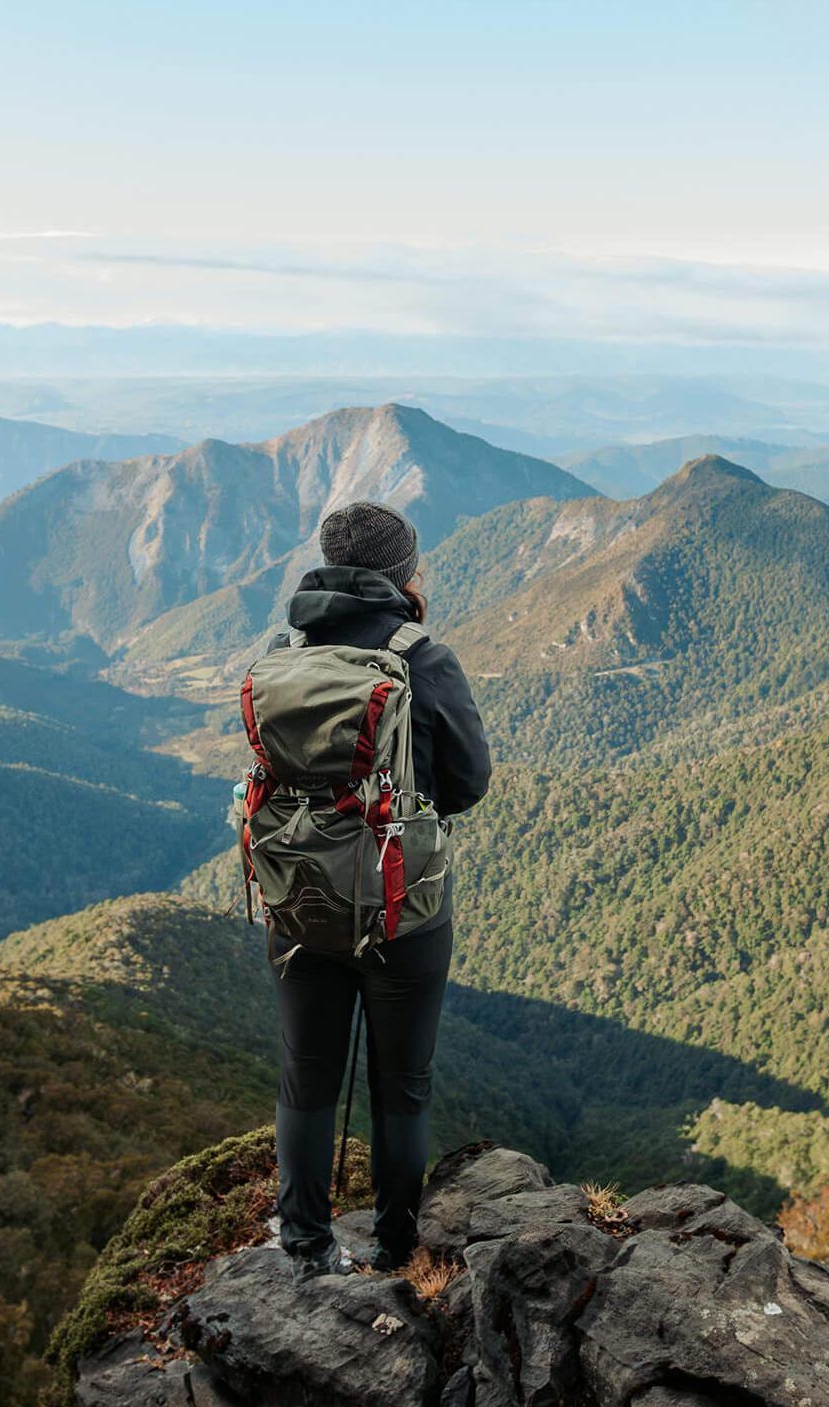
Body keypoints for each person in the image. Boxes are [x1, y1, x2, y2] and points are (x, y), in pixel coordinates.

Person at [270, 500, 491, 1277]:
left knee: (307, 1075)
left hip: (298, 898)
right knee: (402, 1087)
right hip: (405, 906)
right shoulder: (420, 658)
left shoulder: (285, 651)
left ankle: (302, 1244)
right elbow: (469, 782)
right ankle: (396, 1250)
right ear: (404, 573)